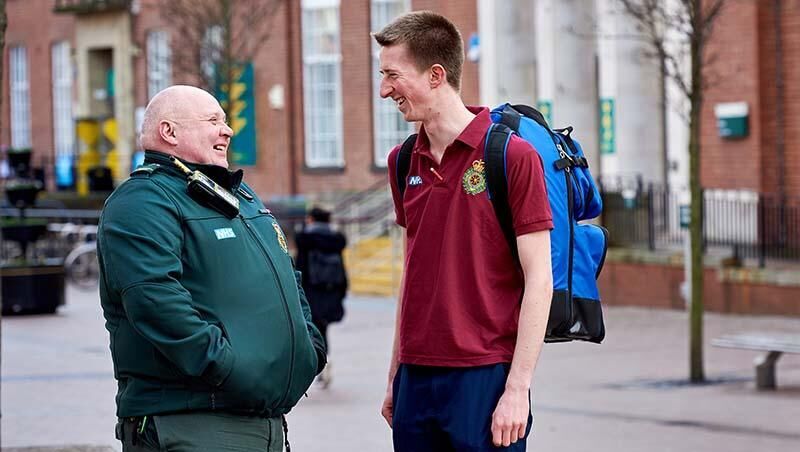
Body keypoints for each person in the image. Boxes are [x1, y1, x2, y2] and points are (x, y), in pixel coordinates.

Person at [97, 85, 326, 452]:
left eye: (225, 120)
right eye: (213, 120)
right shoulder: (142, 202)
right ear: (169, 132)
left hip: (260, 421)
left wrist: (310, 348)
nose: (227, 130)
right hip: (193, 424)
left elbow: (289, 279)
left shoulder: (240, 196)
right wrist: (230, 369)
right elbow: (156, 303)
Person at [374, 11, 554, 451]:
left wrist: (518, 389)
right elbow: (411, 274)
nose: (384, 90)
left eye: (393, 75)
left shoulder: (511, 156)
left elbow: (540, 280)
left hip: (484, 376)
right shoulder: (402, 161)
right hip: (416, 379)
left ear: (436, 75)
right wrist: (396, 370)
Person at [294, 206, 348, 388]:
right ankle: (326, 361)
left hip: (311, 292)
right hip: (331, 292)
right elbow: (342, 268)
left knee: (315, 330)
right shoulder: (335, 239)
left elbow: (299, 267)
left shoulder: (305, 239)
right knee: (323, 329)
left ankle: (321, 364)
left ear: (311, 219)